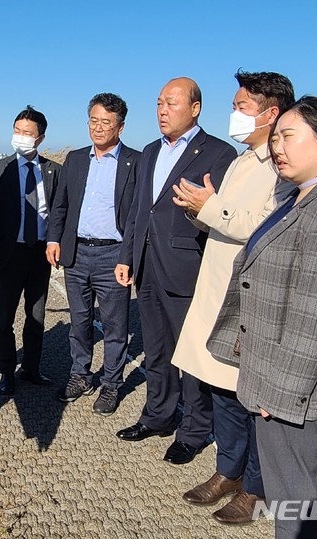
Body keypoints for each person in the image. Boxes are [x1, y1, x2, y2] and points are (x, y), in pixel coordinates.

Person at [207, 96, 317, 539]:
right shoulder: (302, 198)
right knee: (287, 496)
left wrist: (280, 393)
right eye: (275, 137)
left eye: (289, 136)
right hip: (276, 376)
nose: (278, 147)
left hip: (292, 390)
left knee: (294, 500)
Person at [170, 71, 295, 524]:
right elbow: (227, 219)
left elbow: (262, 224)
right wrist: (199, 210)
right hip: (218, 286)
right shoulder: (244, 160)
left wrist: (211, 207)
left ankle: (258, 488)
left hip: (248, 296)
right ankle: (229, 470)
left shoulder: (281, 165)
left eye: (242, 106)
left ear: (271, 112)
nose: (235, 114)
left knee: (252, 397)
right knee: (221, 386)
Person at [114, 78, 237, 464]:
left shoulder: (218, 153)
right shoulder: (150, 151)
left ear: (195, 108)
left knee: (192, 355)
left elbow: (219, 213)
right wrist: (126, 255)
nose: (162, 111)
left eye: (171, 103)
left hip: (188, 267)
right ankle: (158, 416)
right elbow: (139, 209)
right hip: (147, 266)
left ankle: (195, 429)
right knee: (157, 350)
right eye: (158, 103)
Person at [46, 93, 140, 415]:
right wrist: (53, 239)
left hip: (113, 255)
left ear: (121, 127)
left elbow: (138, 217)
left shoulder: (135, 162)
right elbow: (61, 204)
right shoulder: (74, 160)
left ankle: (112, 385)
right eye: (94, 121)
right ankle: (80, 376)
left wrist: (128, 256)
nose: (99, 128)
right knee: (80, 322)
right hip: (76, 253)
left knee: (115, 326)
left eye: (106, 123)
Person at [0, 106, 62, 395]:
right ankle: (6, 372)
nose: (21, 137)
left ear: (40, 138)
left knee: (36, 315)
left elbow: (59, 213)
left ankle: (31, 368)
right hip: (8, 254)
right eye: (17, 131)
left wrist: (57, 243)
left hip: (40, 254)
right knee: (4, 317)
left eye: (28, 133)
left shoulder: (53, 171)